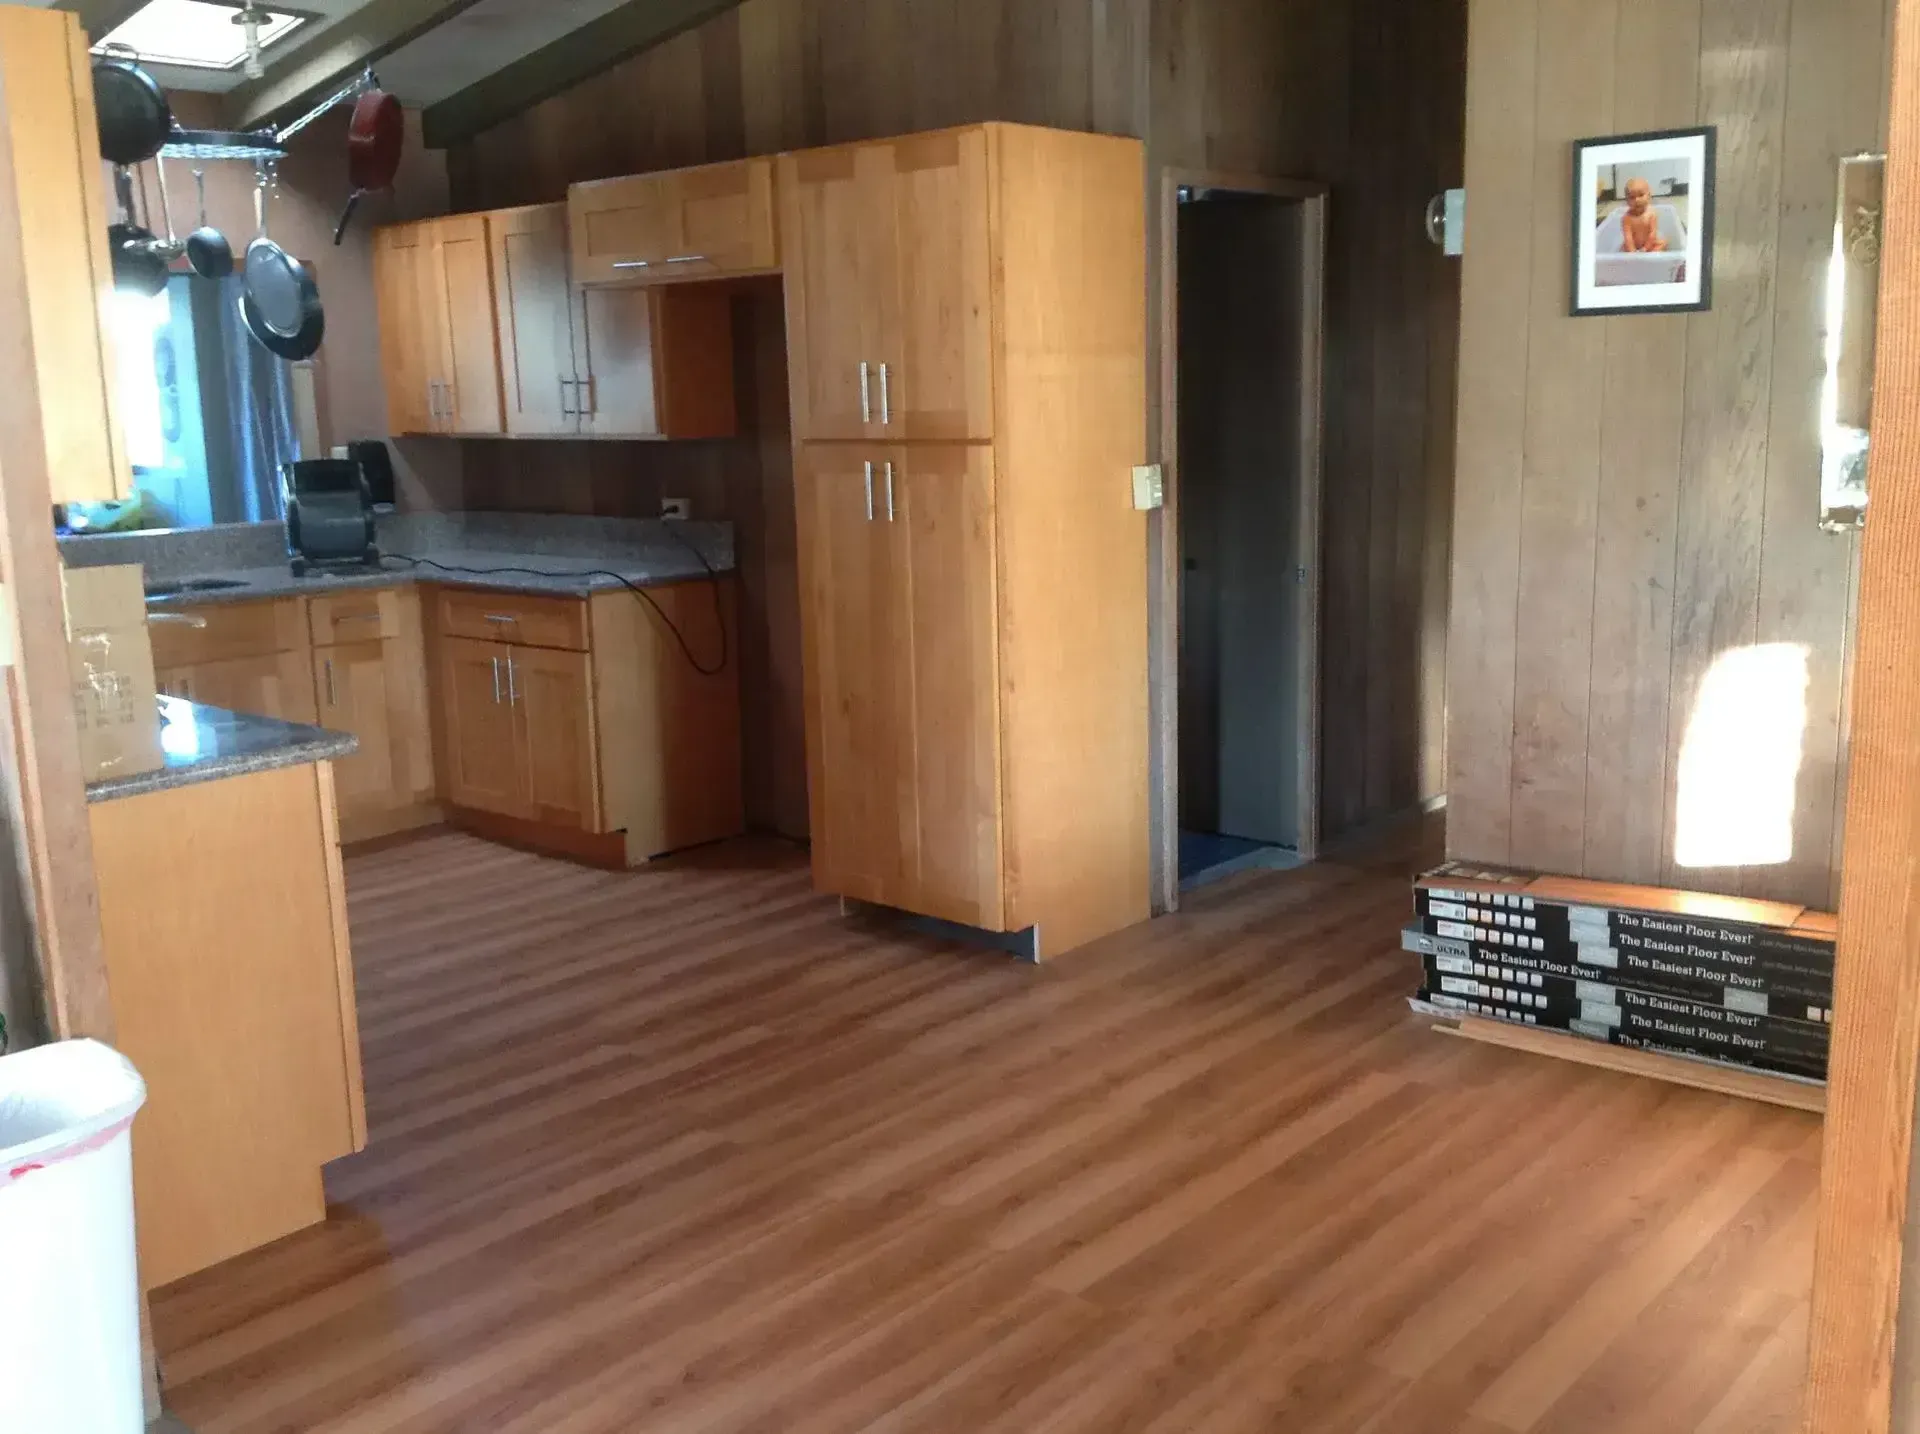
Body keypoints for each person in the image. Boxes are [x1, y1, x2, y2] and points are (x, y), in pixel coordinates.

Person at [1618, 177, 1667, 253]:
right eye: (1632, 197)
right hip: (1634, 245)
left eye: (1641, 195)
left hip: (1649, 244)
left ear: (1649, 196)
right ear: (1627, 201)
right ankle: (1639, 258)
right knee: (1623, 247)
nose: (1637, 200)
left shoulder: (1652, 214)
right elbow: (1628, 238)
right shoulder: (1626, 218)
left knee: (1663, 243)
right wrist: (1633, 252)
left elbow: (1652, 234)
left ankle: (1650, 256)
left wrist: (1645, 249)